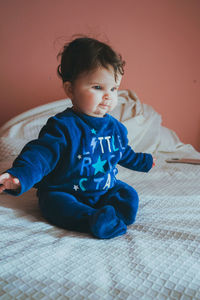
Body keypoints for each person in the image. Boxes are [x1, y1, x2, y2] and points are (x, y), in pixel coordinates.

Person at [0, 36, 155, 239]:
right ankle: (91, 219)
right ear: (70, 89)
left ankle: (110, 215)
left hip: (103, 188)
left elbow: (122, 152)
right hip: (65, 191)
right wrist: (19, 175)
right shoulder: (63, 126)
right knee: (55, 205)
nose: (108, 96)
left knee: (128, 196)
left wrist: (143, 162)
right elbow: (41, 155)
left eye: (114, 88)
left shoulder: (115, 128)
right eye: (98, 87)